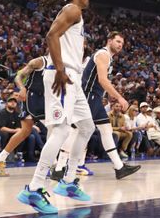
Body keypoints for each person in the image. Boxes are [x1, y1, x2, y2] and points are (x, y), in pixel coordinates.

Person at [17, 0, 93, 214]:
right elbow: (51, 36)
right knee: (61, 131)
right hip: (63, 75)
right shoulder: (73, 9)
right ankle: (34, 187)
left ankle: (68, 182)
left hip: (73, 77)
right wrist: (59, 69)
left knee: (87, 127)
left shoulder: (75, 13)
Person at [51, 32, 139, 180]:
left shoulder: (107, 57)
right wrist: (120, 98)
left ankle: (119, 167)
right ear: (109, 40)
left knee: (106, 129)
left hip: (95, 97)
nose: (120, 45)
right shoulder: (103, 54)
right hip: (87, 96)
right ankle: (59, 168)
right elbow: (103, 80)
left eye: (122, 44)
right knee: (75, 131)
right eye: (117, 41)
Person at [0, 55, 48, 176]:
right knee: (56, 130)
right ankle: (53, 166)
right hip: (32, 98)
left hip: (46, 98)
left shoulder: (63, 63)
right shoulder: (38, 61)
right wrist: (22, 88)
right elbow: (18, 76)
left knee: (24, 132)